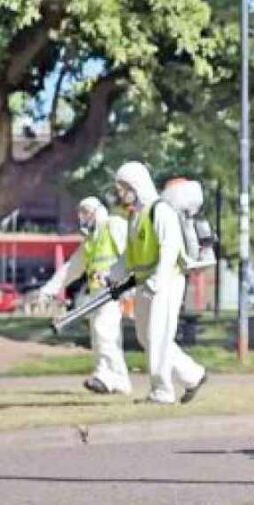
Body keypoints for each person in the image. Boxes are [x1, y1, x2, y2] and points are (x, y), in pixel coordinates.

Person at [110, 161, 208, 405]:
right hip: (144, 283)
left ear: (136, 185)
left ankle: (162, 391)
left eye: (123, 187)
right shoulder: (135, 216)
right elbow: (129, 255)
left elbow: (170, 248)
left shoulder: (160, 211)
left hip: (166, 282)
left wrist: (158, 280)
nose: (120, 192)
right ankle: (192, 375)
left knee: (158, 335)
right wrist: (112, 274)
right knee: (147, 337)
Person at [40, 197, 132, 395]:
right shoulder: (91, 242)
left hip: (114, 291)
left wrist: (128, 285)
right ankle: (115, 379)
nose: (83, 217)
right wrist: (49, 290)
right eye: (81, 213)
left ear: (98, 211)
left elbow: (131, 252)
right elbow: (70, 269)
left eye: (86, 212)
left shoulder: (114, 226)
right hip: (98, 294)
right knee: (101, 336)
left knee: (103, 331)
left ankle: (108, 377)